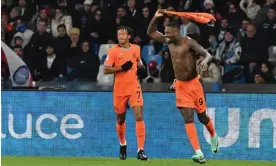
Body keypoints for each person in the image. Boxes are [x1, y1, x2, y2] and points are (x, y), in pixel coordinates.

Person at [147, 9, 219, 164]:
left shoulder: (189, 42)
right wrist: (155, 17)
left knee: (202, 117)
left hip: (195, 84)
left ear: (176, 32)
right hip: (180, 86)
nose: (165, 35)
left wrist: (205, 62)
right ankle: (199, 153)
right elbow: (151, 32)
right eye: (165, 32)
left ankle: (213, 135)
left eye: (167, 32)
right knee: (188, 118)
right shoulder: (169, 42)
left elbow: (208, 55)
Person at [103, 26, 148, 161]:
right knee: (120, 119)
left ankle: (140, 150)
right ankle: (123, 144)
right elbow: (106, 69)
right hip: (119, 89)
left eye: (123, 34)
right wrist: (121, 68)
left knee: (139, 116)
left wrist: (143, 70)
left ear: (129, 36)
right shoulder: (113, 51)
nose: (120, 36)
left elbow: (139, 63)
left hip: (134, 86)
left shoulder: (136, 49)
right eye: (118, 34)